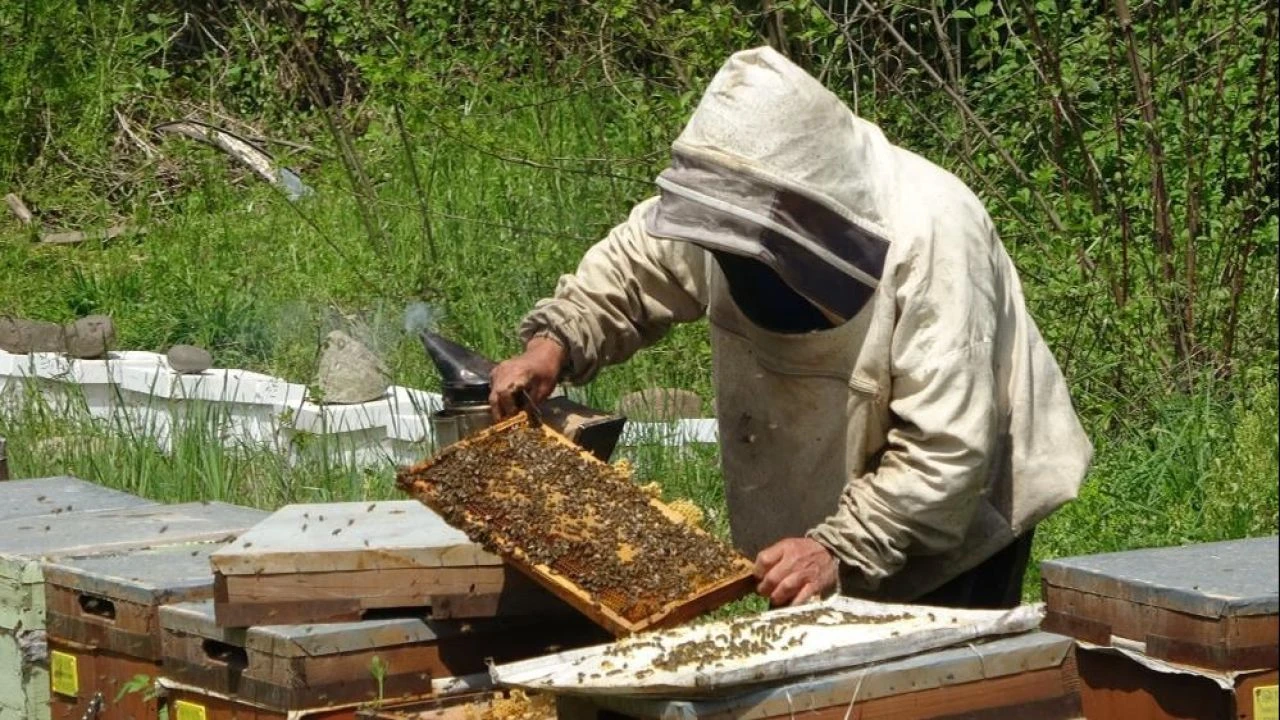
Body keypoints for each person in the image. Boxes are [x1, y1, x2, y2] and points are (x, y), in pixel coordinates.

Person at [489, 47, 1092, 609]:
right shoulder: (726, 199)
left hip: (955, 525)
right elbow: (637, 261)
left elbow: (947, 451)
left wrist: (837, 549)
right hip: (825, 499)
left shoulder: (935, 238)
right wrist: (555, 341)